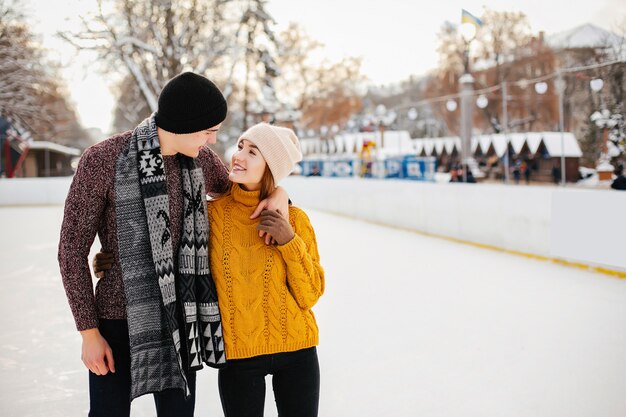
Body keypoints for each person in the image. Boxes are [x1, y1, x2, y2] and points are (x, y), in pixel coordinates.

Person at [58, 72, 289, 417]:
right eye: (208, 130)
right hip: (117, 323)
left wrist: (280, 194)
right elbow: (71, 251)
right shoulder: (103, 161)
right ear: (184, 124)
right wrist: (89, 333)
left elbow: (242, 196)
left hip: (182, 320)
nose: (212, 141)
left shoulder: (200, 161)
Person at [210, 123, 324, 417]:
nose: (239, 156)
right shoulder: (212, 215)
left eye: (252, 152)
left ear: (271, 166)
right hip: (239, 355)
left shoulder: (294, 219)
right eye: (239, 147)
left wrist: (289, 241)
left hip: (297, 350)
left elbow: (309, 294)